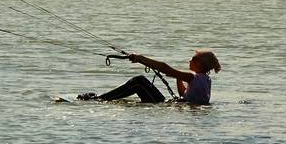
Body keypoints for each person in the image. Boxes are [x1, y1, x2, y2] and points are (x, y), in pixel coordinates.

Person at [79, 50, 221, 105]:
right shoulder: (205, 80)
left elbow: (165, 68)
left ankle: (99, 99)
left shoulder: (193, 76)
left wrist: (141, 59)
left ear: (201, 64)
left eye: (193, 59)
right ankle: (101, 98)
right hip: (173, 103)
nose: (189, 61)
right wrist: (178, 77)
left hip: (163, 103)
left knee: (139, 81)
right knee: (139, 82)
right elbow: (184, 95)